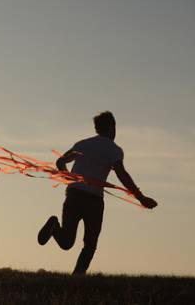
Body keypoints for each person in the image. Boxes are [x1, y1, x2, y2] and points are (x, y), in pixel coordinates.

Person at [37, 111, 157, 275]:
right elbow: (122, 174)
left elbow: (60, 161)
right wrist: (140, 197)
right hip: (93, 200)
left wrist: (67, 175)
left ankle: (53, 226)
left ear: (97, 128)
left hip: (73, 195)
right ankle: (77, 277)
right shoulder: (115, 150)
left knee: (66, 242)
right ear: (113, 128)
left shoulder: (82, 144)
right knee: (90, 243)